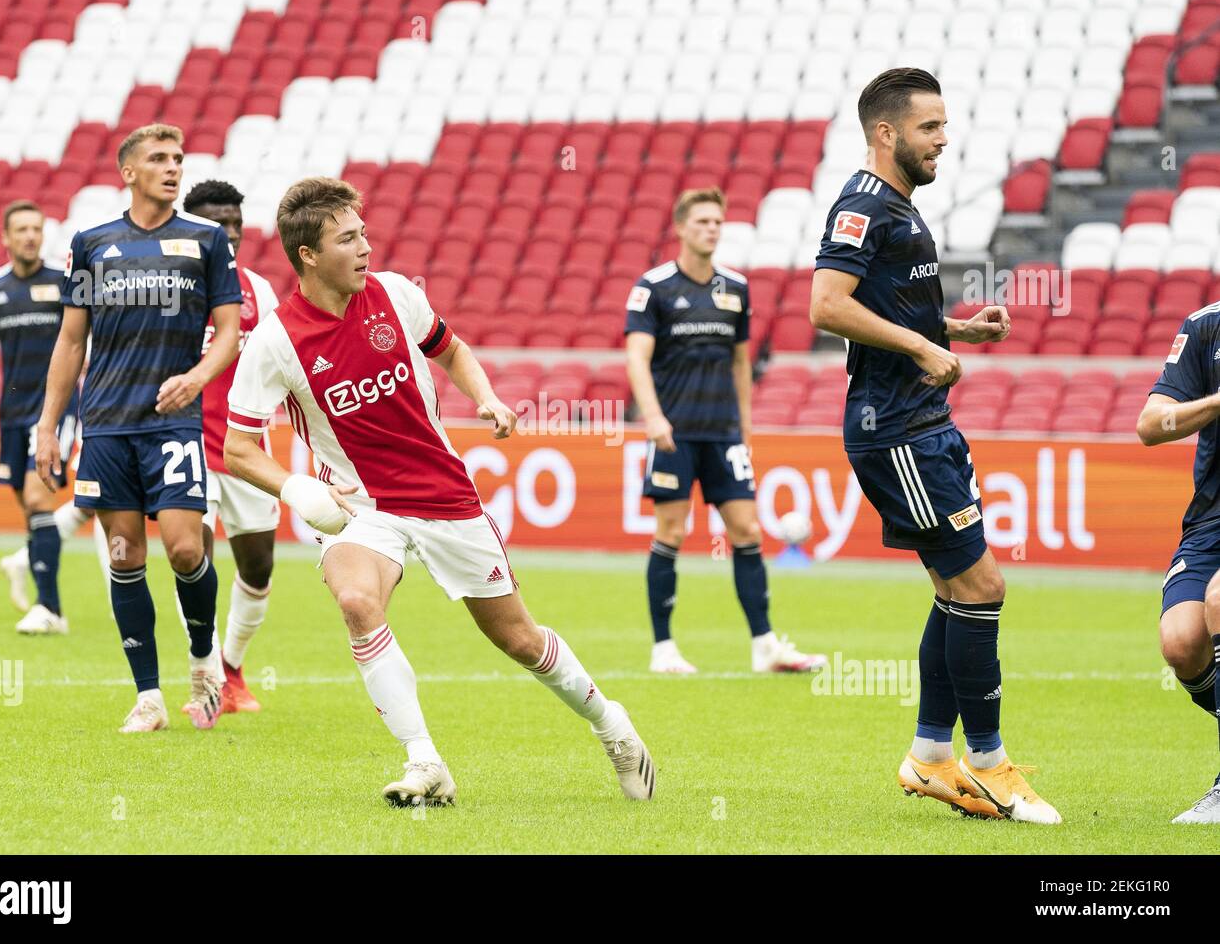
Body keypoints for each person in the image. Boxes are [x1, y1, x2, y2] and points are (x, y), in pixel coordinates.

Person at [223, 176, 654, 806]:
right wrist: (293, 487)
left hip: (444, 497)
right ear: (308, 255)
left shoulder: (397, 294)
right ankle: (425, 763)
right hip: (359, 507)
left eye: (364, 232)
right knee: (355, 601)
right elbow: (238, 447)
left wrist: (485, 396)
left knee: (520, 641)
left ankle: (610, 724)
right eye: (348, 238)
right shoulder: (276, 341)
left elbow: (452, 353)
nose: (366, 247)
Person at [809, 68, 1059, 824]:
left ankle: (930, 755)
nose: (943, 139)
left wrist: (950, 332)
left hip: (923, 422)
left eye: (944, 126)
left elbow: (885, 308)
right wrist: (921, 349)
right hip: (898, 429)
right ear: (886, 134)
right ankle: (986, 766)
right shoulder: (861, 204)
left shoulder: (899, 209)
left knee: (958, 591)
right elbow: (827, 305)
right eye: (929, 127)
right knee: (982, 587)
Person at [35, 123, 241, 733]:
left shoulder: (206, 241)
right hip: (104, 425)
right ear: (128, 172)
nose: (173, 167)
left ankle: (204, 663)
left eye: (178, 158)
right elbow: (72, 340)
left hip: (172, 422)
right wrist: (49, 426)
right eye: (158, 158)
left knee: (183, 547)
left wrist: (198, 377)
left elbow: (228, 331)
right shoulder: (93, 243)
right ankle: (148, 696)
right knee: (124, 554)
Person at [625, 187, 826, 675]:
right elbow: (636, 358)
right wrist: (652, 417)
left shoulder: (735, 288)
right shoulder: (653, 288)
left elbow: (741, 363)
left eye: (718, 221)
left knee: (747, 529)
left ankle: (764, 646)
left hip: (723, 432)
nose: (712, 228)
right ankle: (664, 649)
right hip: (674, 432)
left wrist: (746, 424)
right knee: (671, 531)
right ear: (680, 227)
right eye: (702, 222)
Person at [179, 178, 282, 713]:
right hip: (186, 444)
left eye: (238, 223)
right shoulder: (169, 289)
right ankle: (208, 673)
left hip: (245, 451)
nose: (233, 233)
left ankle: (234, 666)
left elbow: (279, 369)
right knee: (192, 557)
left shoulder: (259, 291)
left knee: (258, 567)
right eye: (221, 223)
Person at [0, 200, 78, 635]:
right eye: (22, 230)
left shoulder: (63, 280)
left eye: (37, 228)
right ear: (6, 237)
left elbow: (79, 338)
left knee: (39, 498)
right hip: (12, 411)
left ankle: (48, 608)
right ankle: (48, 603)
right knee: (29, 508)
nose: (31, 236)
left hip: (54, 409)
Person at [1137, 308, 1220, 823]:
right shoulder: (1205, 328)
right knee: (1182, 644)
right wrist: (1215, 402)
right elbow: (1150, 426)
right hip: (1211, 519)